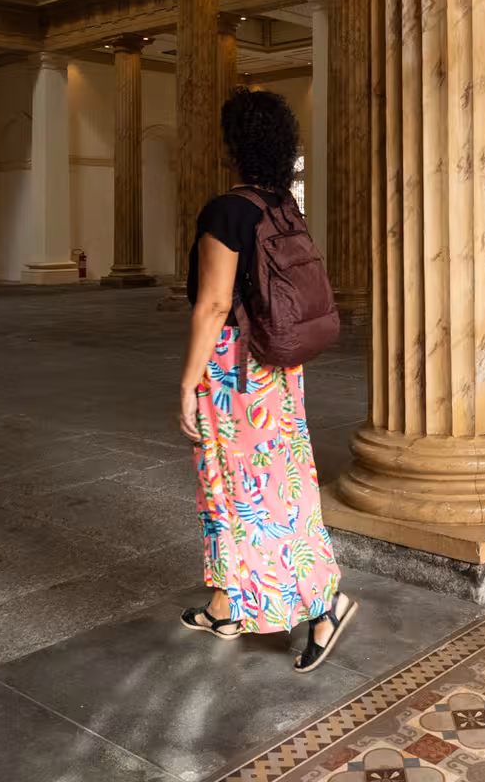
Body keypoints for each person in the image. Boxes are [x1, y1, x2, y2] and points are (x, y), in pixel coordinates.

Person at [173, 88, 355, 673]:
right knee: (254, 481)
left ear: (233, 143)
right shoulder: (281, 206)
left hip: (234, 369)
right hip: (278, 365)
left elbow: (214, 303)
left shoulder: (228, 210)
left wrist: (187, 381)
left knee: (255, 493)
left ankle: (325, 604)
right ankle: (228, 603)